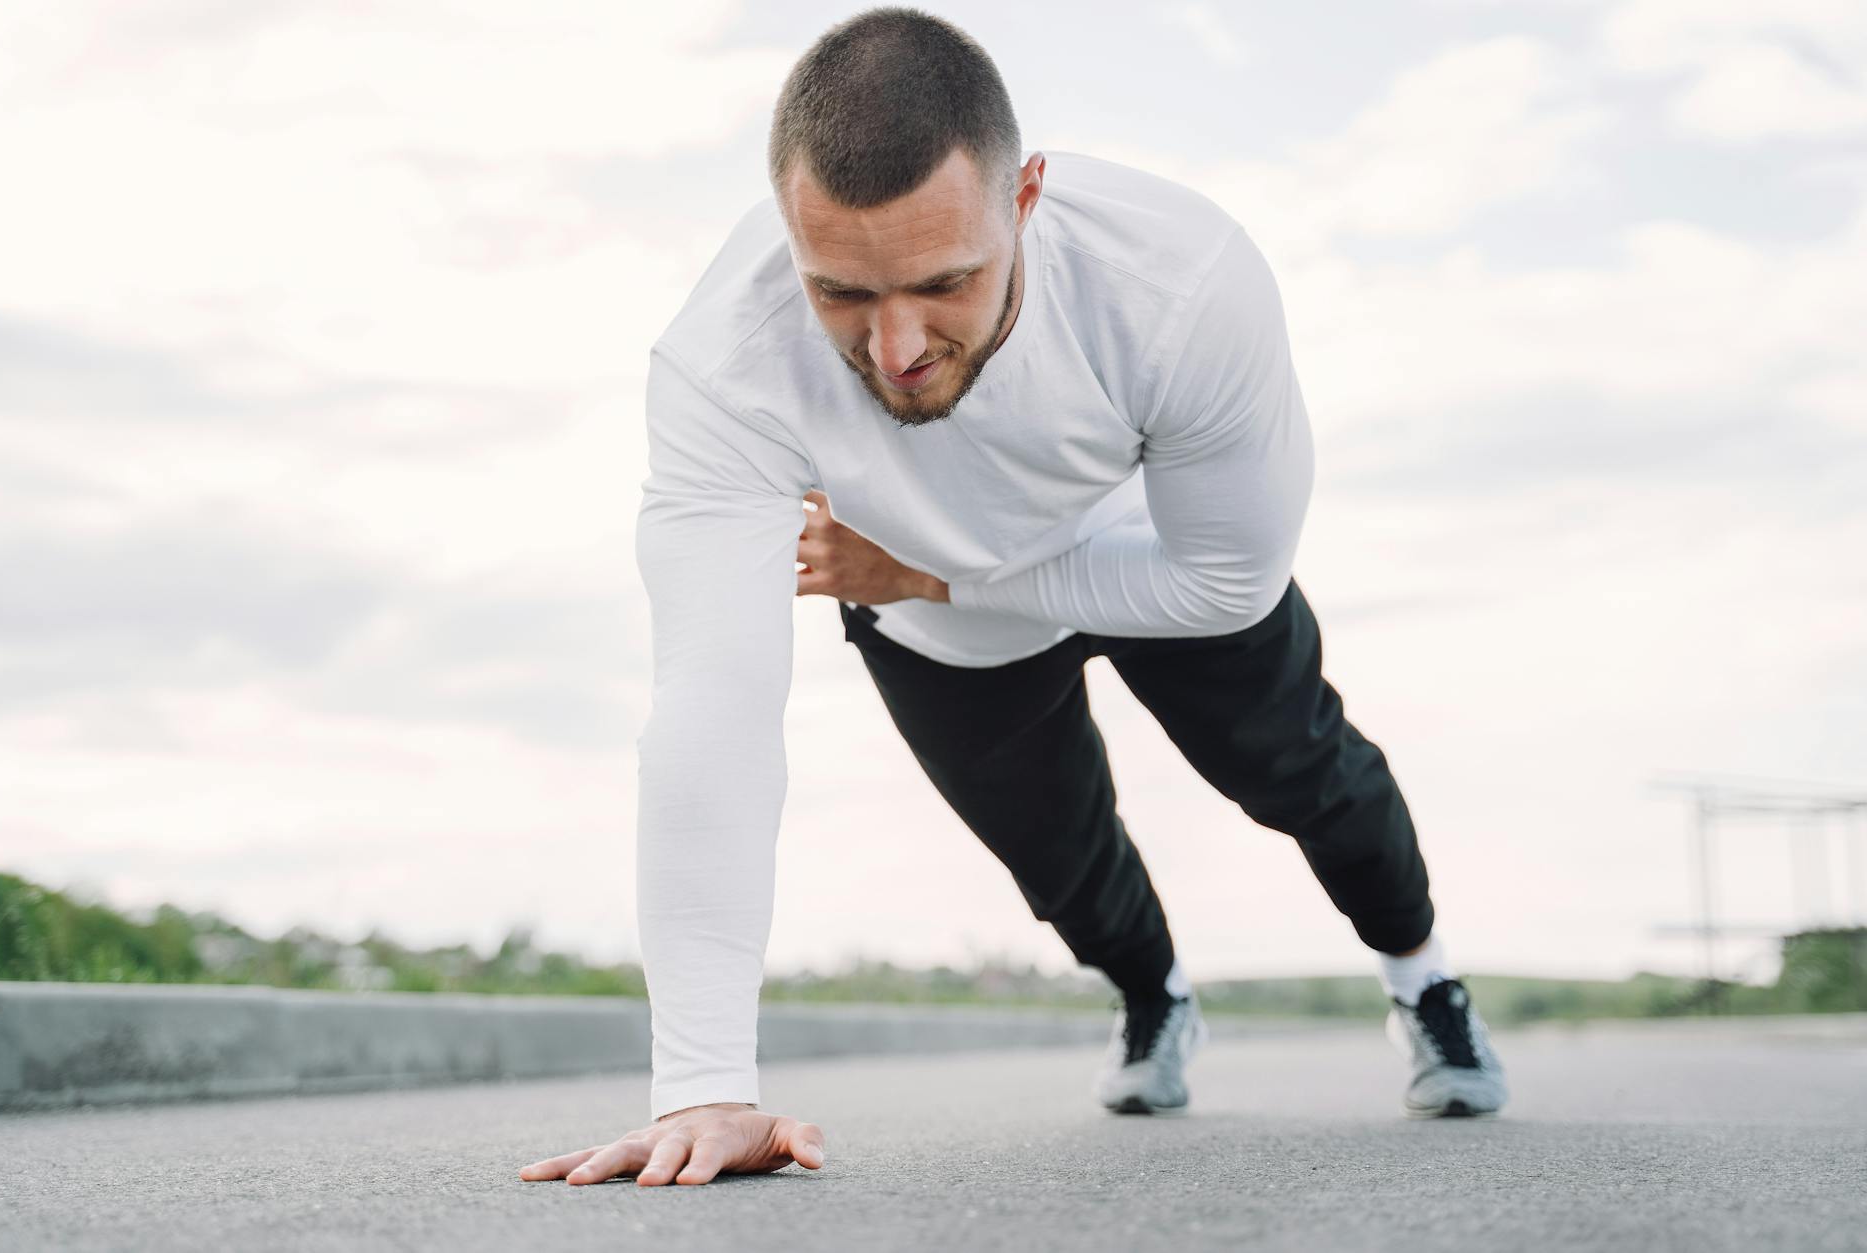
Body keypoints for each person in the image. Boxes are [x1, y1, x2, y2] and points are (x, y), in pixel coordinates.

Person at [520, 6, 1506, 1190]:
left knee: (1302, 771)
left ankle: (1423, 981)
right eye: (839, 293)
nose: (894, 347)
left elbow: (1222, 578)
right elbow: (710, 712)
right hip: (935, 618)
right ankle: (1154, 1001)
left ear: (1025, 197)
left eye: (943, 282)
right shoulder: (718, 367)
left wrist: (932, 567)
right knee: (1060, 860)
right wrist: (701, 1083)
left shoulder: (1180, 281)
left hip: (1149, 557)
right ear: (785, 232)